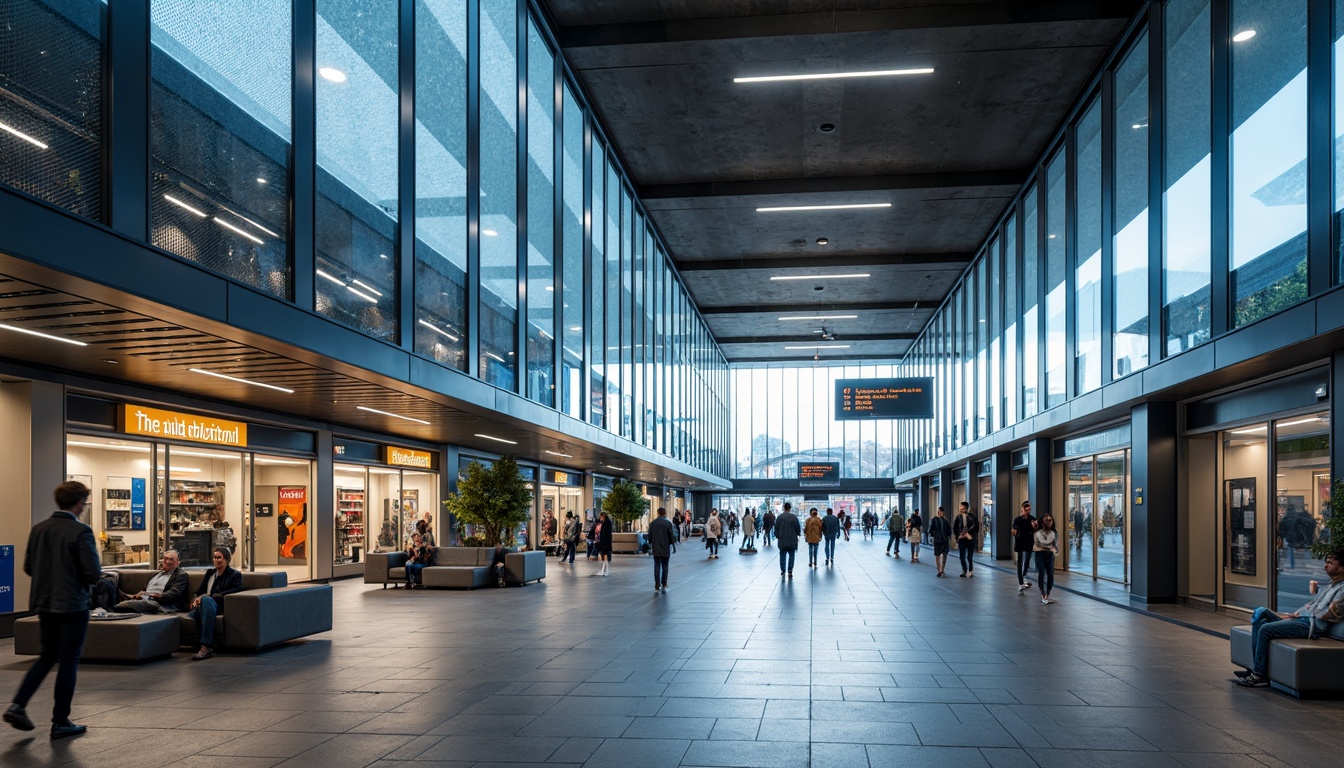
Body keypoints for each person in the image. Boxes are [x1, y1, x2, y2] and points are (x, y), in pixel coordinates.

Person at [5, 481, 101, 739]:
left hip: (45, 604)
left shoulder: (38, 529)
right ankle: (61, 720)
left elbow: (28, 567)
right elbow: (92, 572)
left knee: (47, 656)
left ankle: (18, 704)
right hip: (73, 604)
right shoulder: (80, 531)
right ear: (79, 502)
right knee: (69, 661)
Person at [1236, 549, 1344, 688]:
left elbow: (1330, 613)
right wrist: (1292, 614)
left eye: (1330, 563)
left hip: (1312, 626)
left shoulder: (1342, 589)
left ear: (1342, 567)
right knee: (1260, 613)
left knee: (1265, 628)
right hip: (1301, 619)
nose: (1325, 566)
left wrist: (1300, 615)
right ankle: (1254, 669)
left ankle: (1259, 675)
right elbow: (1311, 605)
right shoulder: (1330, 585)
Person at [187, 546, 244, 661]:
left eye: (219, 557)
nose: (216, 560)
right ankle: (204, 645)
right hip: (203, 605)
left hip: (219, 605)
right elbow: (200, 591)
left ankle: (206, 646)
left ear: (226, 560)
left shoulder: (234, 575)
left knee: (207, 601)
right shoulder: (210, 573)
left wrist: (209, 597)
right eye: (214, 557)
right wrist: (195, 599)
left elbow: (236, 590)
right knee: (197, 612)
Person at [115, 549, 189, 613]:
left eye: (171, 559)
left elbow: (174, 593)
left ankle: (115, 608)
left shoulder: (181, 575)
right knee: (111, 590)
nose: (168, 561)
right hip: (145, 599)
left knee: (126, 605)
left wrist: (152, 595)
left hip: (160, 605)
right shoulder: (155, 574)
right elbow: (144, 590)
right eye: (166, 558)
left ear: (178, 562)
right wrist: (136, 595)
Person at [1012, 501, 1037, 593]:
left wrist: (1034, 526)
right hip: (1020, 542)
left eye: (1029, 509)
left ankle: (1024, 574)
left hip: (1029, 542)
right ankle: (1021, 582)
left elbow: (1035, 530)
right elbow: (1014, 529)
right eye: (1026, 509)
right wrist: (1014, 531)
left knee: (1027, 559)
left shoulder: (1032, 519)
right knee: (1020, 562)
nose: (1028, 511)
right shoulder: (1018, 519)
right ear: (1023, 509)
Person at [648, 507, 676, 591]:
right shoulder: (668, 523)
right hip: (665, 547)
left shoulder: (652, 523)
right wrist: (671, 544)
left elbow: (650, 536)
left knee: (656, 565)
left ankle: (657, 583)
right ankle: (664, 583)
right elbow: (671, 536)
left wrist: (651, 543)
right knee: (665, 565)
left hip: (656, 547)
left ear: (658, 513)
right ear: (665, 513)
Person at [1033, 514, 1059, 604]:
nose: (1048, 522)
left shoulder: (1054, 532)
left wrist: (1054, 549)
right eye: (1046, 520)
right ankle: (1043, 594)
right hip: (1040, 553)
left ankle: (1047, 594)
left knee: (1050, 574)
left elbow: (1054, 545)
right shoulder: (1038, 532)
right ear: (1042, 522)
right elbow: (1039, 544)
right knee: (1042, 572)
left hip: (1049, 554)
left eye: (1050, 520)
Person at [774, 502, 801, 579]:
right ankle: (790, 570)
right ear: (790, 508)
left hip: (782, 540)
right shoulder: (793, 517)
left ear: (783, 508)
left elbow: (776, 529)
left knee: (782, 555)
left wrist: (777, 536)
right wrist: (798, 534)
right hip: (792, 540)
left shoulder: (779, 517)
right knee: (791, 555)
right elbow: (797, 528)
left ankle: (783, 570)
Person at [954, 501, 979, 578]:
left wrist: (970, 535)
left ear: (966, 508)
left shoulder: (972, 516)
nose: (960, 508)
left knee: (969, 555)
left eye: (962, 507)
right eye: (960, 507)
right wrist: (958, 536)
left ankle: (970, 570)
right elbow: (955, 528)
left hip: (969, 538)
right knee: (961, 556)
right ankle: (964, 570)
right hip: (962, 539)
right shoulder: (958, 517)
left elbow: (976, 527)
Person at [928, 507, 952, 577]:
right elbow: (931, 529)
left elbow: (949, 531)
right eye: (939, 512)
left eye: (941, 512)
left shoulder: (945, 521)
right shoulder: (935, 520)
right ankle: (939, 570)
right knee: (938, 554)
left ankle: (942, 569)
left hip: (943, 540)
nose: (940, 513)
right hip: (939, 540)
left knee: (943, 554)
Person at [593, 511, 613, 576]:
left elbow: (606, 533)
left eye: (600, 517)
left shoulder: (607, 523)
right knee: (605, 556)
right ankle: (604, 570)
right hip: (605, 542)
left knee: (605, 556)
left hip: (605, 542)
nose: (600, 518)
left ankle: (605, 570)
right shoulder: (606, 522)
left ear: (603, 517)